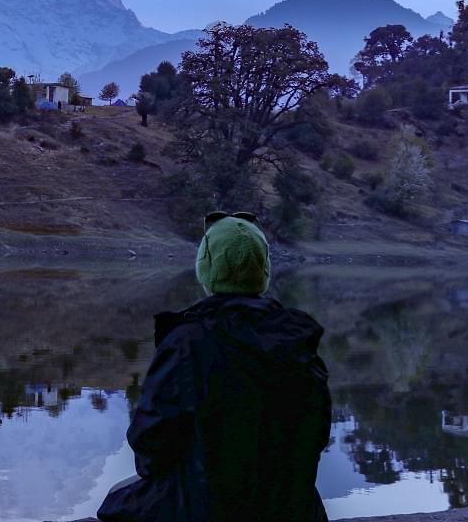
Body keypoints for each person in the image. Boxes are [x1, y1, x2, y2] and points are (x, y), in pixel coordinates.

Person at [97, 211, 331, 522]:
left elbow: (151, 444)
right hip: (290, 509)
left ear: (206, 270)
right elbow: (316, 436)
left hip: (206, 509)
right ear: (264, 270)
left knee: (118, 499)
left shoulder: (186, 343)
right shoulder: (298, 342)